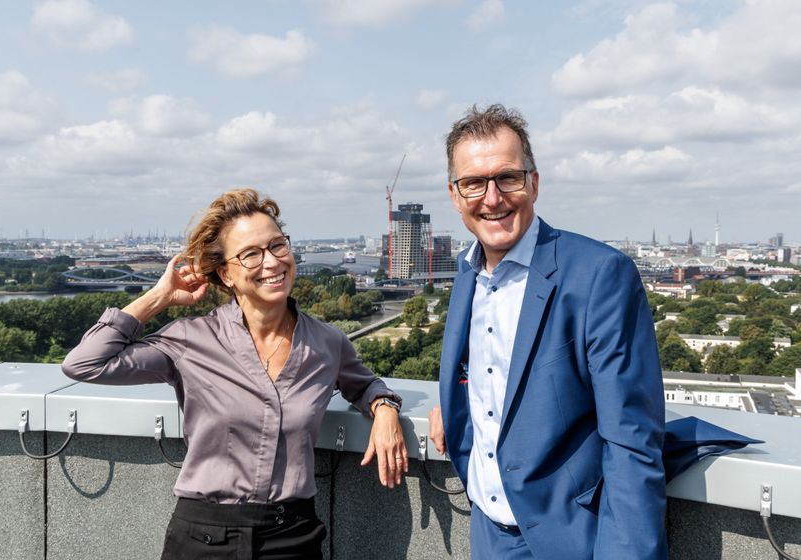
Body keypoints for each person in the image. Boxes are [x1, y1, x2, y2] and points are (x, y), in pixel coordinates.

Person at [62, 188, 408, 560]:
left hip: (293, 537)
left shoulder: (326, 342)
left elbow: (365, 384)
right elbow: (86, 363)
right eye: (251, 254)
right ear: (225, 273)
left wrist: (385, 409)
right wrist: (160, 296)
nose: (272, 262)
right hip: (202, 538)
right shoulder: (191, 339)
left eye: (278, 245)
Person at [428, 105, 667, 559]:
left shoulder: (598, 274)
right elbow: (495, 368)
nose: (492, 198)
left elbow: (631, 439)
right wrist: (459, 400)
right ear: (455, 195)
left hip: (569, 535)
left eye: (508, 178)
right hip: (487, 527)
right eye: (473, 183)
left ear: (534, 182)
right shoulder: (467, 271)